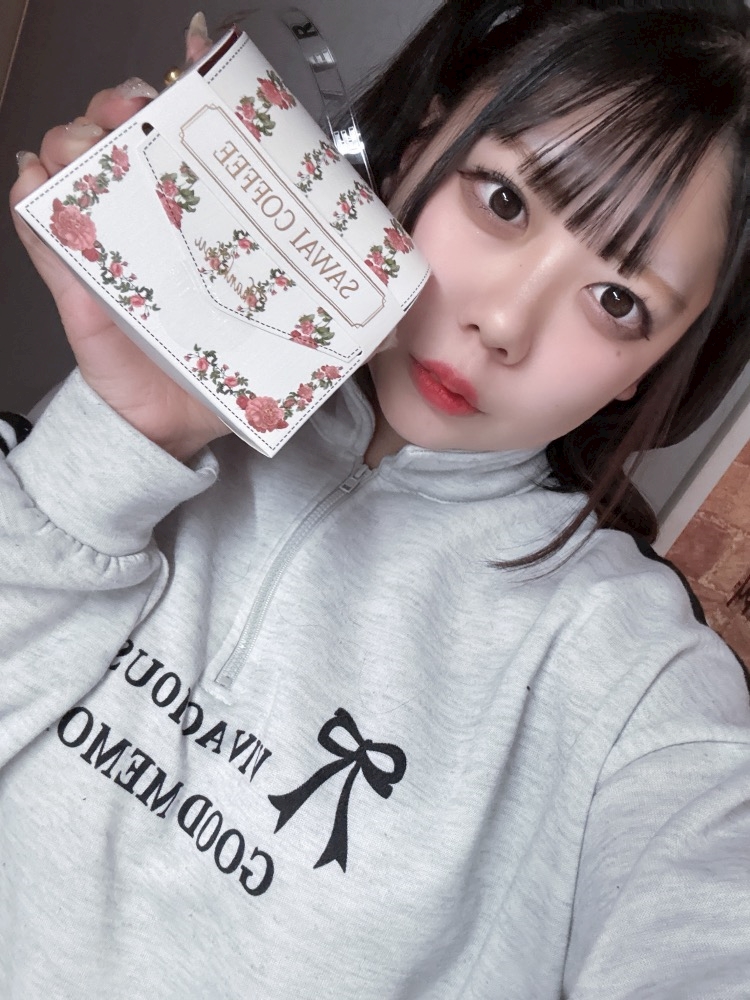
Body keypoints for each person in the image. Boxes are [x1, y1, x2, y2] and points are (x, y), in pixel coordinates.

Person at [2, 1, 750, 997]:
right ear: (417, 148)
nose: (503, 322)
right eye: (504, 200)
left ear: (652, 370)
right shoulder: (158, 404)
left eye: (620, 302)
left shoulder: (641, 685)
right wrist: (122, 441)